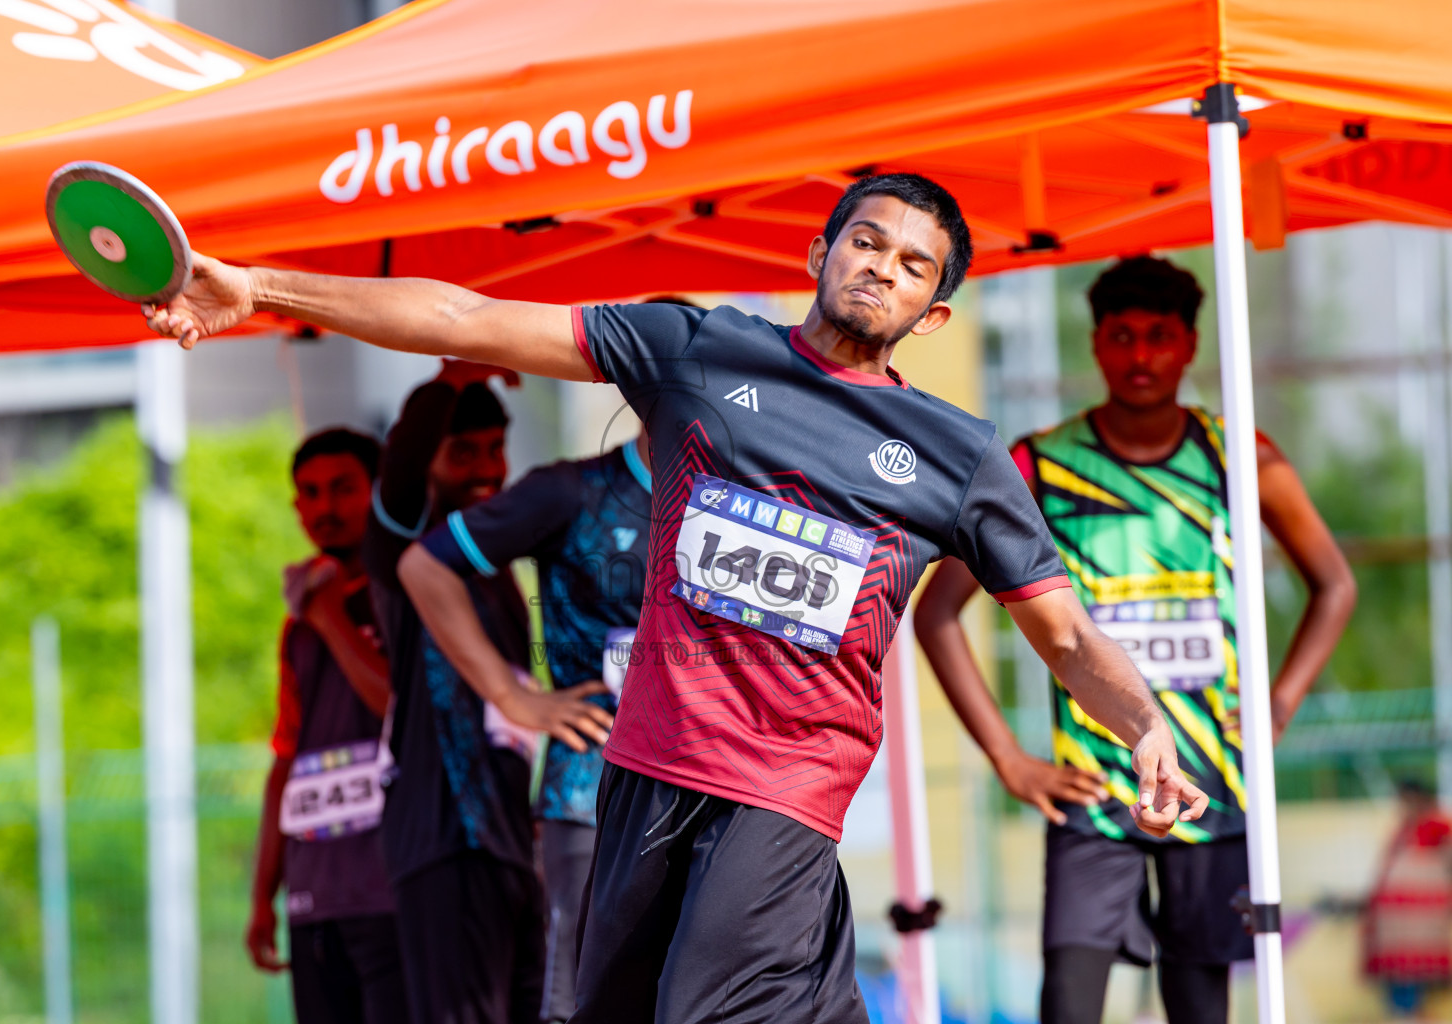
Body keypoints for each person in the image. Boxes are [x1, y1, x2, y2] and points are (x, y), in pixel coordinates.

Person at [147, 172, 1210, 1024]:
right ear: (820, 253)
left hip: (785, 792)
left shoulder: (958, 453)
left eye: (912, 264)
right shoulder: (696, 350)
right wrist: (259, 288)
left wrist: (1145, 726)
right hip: (646, 770)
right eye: (868, 241)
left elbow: (1063, 635)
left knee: (710, 1008)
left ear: (934, 312)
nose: (883, 267)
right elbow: (465, 318)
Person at [913, 256, 1357, 1024]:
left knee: (1201, 1005)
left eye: (1159, 336)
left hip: (1209, 780)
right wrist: (1007, 759)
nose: (1141, 356)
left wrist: (1278, 702)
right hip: (1094, 786)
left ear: (1189, 345)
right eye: (1122, 336)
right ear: (1096, 346)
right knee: (1070, 1006)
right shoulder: (1040, 465)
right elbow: (935, 613)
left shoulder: (1237, 457)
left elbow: (1335, 585)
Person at [362, 367, 608, 1024]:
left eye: (493, 448)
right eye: (461, 452)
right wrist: (450, 373)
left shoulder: (493, 564)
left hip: (509, 846)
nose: (483, 468)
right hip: (446, 838)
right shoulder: (409, 544)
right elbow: (405, 458)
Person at [406, 421, 653, 1023]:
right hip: (590, 795)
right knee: (578, 1006)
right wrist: (511, 697)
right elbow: (423, 567)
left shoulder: (750, 500)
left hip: (715, 804)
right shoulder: (573, 491)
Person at [248, 427, 408, 1024]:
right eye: (309, 494)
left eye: (342, 489)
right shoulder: (299, 626)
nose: (324, 508)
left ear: (377, 491)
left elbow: (397, 705)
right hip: (315, 902)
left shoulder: (405, 592)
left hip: (393, 889)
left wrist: (329, 615)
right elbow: (285, 759)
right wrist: (264, 896)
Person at [1363, 780, 1452, 1020]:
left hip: (1422, 915)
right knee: (1398, 965)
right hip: (1395, 915)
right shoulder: (1405, 827)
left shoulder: (1438, 824)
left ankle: (1411, 1009)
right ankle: (1402, 1009)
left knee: (1414, 965)